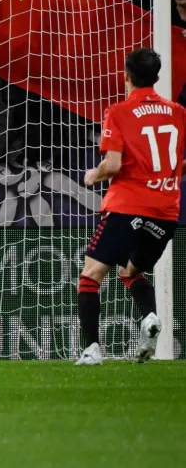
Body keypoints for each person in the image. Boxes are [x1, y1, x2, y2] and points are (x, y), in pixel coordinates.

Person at [75, 48, 185, 366]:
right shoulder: (178, 112)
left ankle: (92, 349)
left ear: (126, 76)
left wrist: (91, 177)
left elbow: (111, 165)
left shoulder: (119, 112)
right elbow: (178, 162)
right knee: (130, 271)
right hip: (165, 214)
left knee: (91, 275)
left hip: (127, 207)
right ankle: (150, 317)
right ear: (157, 77)